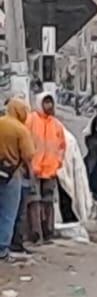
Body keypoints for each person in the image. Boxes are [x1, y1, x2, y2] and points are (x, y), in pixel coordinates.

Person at [24, 93, 67, 244]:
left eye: (51, 102)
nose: (49, 106)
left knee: (48, 202)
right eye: (46, 102)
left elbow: (62, 146)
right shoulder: (31, 120)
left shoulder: (56, 124)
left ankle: (48, 233)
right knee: (34, 202)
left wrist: (58, 163)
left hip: (50, 170)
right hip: (33, 169)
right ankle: (35, 235)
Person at [0, 98, 36, 263]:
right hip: (11, 174)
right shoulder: (21, 129)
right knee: (9, 213)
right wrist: (31, 174)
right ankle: (2, 249)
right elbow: (28, 155)